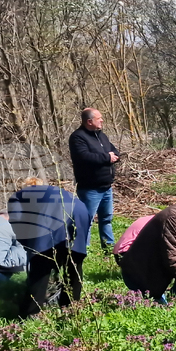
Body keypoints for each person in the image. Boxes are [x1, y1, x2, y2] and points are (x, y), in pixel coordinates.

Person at [8, 178, 90, 317]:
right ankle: (70, 310)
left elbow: (17, 223)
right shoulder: (52, 191)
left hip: (54, 215)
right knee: (73, 265)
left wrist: (30, 249)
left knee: (40, 266)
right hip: (80, 211)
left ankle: (31, 313)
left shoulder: (18, 196)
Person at [69, 107, 120, 250]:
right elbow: (84, 157)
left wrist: (113, 156)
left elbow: (114, 151)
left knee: (106, 219)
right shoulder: (77, 137)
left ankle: (109, 248)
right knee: (86, 220)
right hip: (90, 188)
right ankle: (83, 250)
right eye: (99, 118)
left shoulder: (101, 136)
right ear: (89, 121)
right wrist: (107, 157)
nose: (102, 120)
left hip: (106, 186)